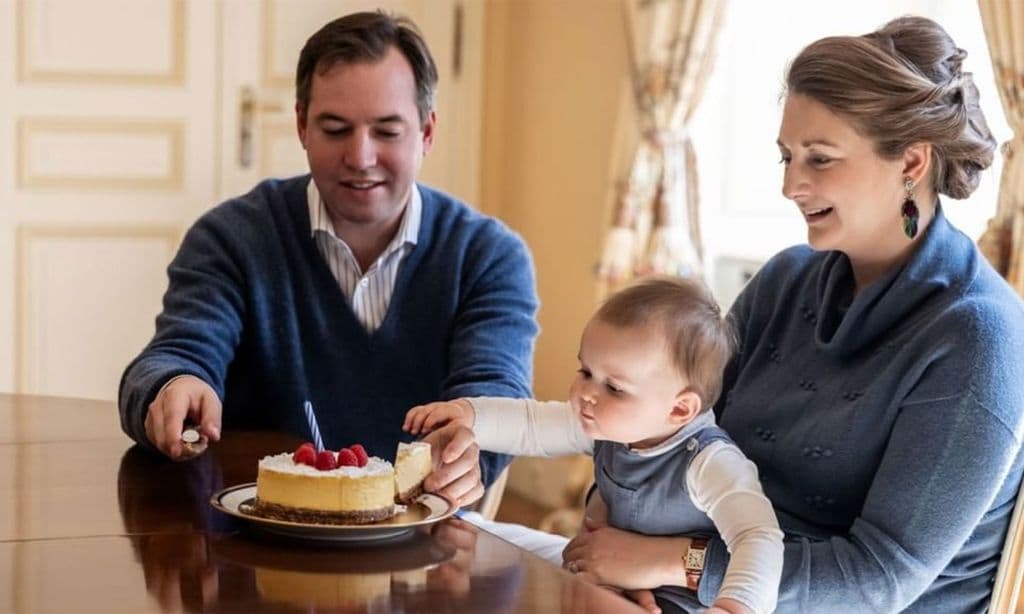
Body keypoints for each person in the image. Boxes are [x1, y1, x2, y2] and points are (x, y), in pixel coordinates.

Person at [507, 15, 1023, 614]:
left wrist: (673, 561)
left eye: (820, 159)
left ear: (911, 163)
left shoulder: (979, 339)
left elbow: (880, 579)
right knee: (469, 562)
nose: (791, 186)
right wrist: (608, 521)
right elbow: (672, 423)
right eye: (787, 157)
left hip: (758, 597)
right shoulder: (787, 279)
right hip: (685, 589)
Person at [117, 11, 539, 506]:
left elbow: (496, 398)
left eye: (387, 131)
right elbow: (173, 356)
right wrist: (171, 385)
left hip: (423, 536)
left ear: (426, 132)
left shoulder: (488, 257)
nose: (360, 157)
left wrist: (473, 447)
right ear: (301, 125)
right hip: (257, 540)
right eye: (336, 129)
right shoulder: (231, 238)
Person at [405, 276, 784, 614]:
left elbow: (757, 536)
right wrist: (467, 414)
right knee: (479, 537)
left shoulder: (710, 462)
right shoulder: (608, 425)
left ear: (680, 408)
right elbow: (532, 425)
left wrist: (735, 606)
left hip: (676, 601)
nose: (587, 393)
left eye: (614, 387)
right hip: (606, 578)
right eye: (585, 371)